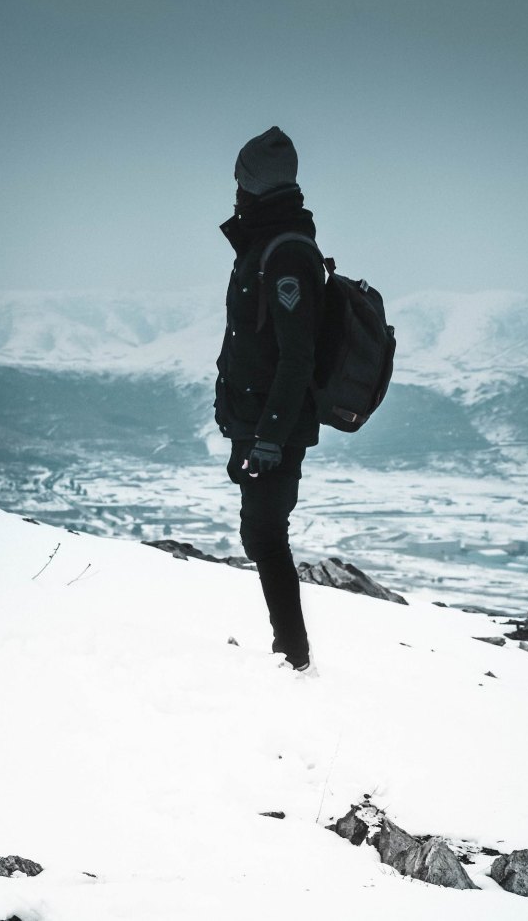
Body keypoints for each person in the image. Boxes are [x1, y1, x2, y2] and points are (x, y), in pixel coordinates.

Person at [214, 126, 325, 674]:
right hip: (253, 423)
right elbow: (246, 340)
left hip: (270, 430)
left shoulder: (286, 255)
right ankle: (290, 650)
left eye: (239, 177)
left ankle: (294, 655)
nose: (234, 188)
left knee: (265, 531)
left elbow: (296, 357)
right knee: (258, 531)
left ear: (252, 183)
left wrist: (270, 440)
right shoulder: (264, 243)